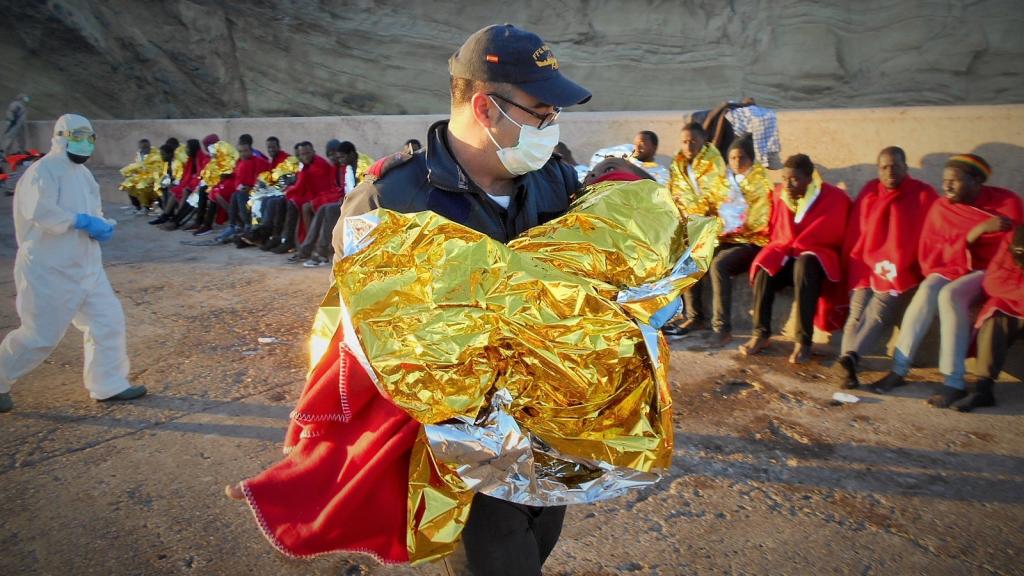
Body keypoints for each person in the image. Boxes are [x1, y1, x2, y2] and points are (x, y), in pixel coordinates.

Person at [235, 24, 589, 576]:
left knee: (539, 543)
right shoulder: (392, 198)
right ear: (486, 107)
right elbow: (356, 334)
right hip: (454, 446)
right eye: (541, 111)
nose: (552, 125)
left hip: (544, 426)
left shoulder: (555, 180)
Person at [0, 114, 146, 413]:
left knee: (107, 321)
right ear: (61, 135)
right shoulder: (43, 171)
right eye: (78, 136)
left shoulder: (84, 176)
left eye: (89, 137)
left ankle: (108, 384)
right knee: (39, 335)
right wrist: (77, 221)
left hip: (87, 266)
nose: (85, 143)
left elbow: (93, 210)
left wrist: (101, 224)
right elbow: (40, 211)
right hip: (49, 268)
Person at [869, 154, 1023, 406]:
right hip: (952, 265)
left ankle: (954, 382)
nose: (946, 187)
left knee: (950, 296)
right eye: (944, 181)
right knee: (928, 288)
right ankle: (898, 369)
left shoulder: (1007, 202)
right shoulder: (942, 207)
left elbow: (1013, 253)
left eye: (954, 181)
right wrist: (979, 230)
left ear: (976, 181)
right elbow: (933, 252)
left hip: (991, 271)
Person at [834, 147, 937, 388]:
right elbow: (856, 232)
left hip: (899, 267)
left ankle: (849, 359)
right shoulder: (871, 190)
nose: (890, 171)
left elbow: (932, 233)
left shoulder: (922, 194)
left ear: (905, 168)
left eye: (895, 166)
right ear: (878, 170)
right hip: (866, 264)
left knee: (878, 311)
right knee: (857, 311)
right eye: (884, 167)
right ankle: (849, 363)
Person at [739, 153, 851, 364]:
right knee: (766, 265)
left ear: (810, 178)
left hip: (816, 261)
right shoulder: (780, 194)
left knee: (805, 264)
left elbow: (838, 235)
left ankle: (803, 341)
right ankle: (761, 334)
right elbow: (773, 229)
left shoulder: (834, 198)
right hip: (787, 256)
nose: (788, 184)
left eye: (794, 179)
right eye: (784, 178)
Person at [695, 134, 772, 348]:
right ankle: (694, 316)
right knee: (694, 252)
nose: (737, 162)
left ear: (751, 159)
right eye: (733, 158)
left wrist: (732, 229)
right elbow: (712, 204)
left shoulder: (760, 183)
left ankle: (722, 329)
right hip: (726, 237)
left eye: (742, 158)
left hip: (750, 242)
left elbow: (759, 220)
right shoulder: (724, 180)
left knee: (720, 264)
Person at [663, 121, 729, 337]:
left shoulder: (713, 162)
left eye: (693, 141)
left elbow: (713, 198)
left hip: (712, 227)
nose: (689, 146)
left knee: (690, 257)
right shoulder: (678, 162)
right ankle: (675, 313)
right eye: (684, 142)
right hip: (686, 225)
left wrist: (689, 215)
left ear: (703, 141)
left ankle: (696, 317)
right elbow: (671, 190)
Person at [955, 226, 1024, 412]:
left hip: (1015, 297)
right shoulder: (1015, 237)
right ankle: (983, 390)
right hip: (1015, 304)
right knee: (994, 321)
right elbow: (993, 282)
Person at [289, 140, 358, 266]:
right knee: (323, 209)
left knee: (329, 210)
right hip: (345, 200)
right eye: (332, 155)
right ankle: (306, 249)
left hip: (359, 204)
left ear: (351, 154)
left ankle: (322, 254)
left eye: (340, 156)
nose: (337, 159)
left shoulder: (359, 166)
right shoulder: (342, 167)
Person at [266, 141, 333, 254]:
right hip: (311, 194)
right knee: (281, 201)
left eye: (307, 153)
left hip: (322, 195)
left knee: (294, 202)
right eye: (302, 154)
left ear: (313, 152)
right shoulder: (306, 165)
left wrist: (288, 191)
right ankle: (279, 237)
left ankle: (294, 241)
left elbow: (307, 186)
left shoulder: (318, 164)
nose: (305, 156)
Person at [217, 137, 270, 243]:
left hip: (261, 192)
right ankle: (233, 225)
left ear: (251, 150)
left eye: (245, 151)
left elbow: (261, 181)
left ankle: (247, 225)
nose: (243, 154)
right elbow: (238, 179)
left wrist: (250, 188)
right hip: (246, 190)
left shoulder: (259, 162)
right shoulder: (240, 162)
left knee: (240, 195)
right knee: (235, 194)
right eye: (240, 151)